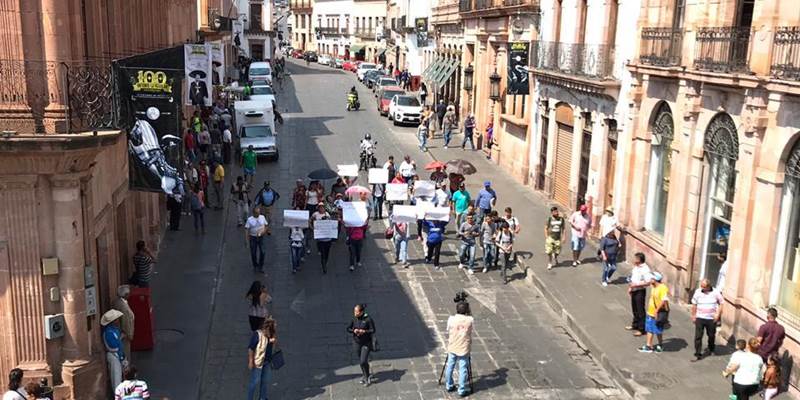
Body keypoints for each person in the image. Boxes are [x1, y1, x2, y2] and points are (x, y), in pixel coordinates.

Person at [444, 301, 474, 397]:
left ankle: (449, 385)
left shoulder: (451, 319)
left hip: (453, 346)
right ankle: (461, 390)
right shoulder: (470, 320)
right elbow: (471, 328)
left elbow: (448, 329)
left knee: (450, 366)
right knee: (463, 369)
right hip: (463, 348)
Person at [690, 279, 723, 361]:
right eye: (701, 286)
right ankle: (698, 353)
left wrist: (718, 314)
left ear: (708, 286)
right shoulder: (698, 292)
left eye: (704, 287)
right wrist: (693, 315)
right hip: (700, 317)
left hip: (711, 318)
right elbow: (694, 304)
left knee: (711, 335)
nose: (702, 288)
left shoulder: (715, 292)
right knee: (698, 336)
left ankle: (711, 348)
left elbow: (721, 303)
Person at [638, 272, 668, 353]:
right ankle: (648, 346)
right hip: (650, 312)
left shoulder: (662, 288)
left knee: (658, 330)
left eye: (652, 278)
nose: (650, 280)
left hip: (657, 313)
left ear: (655, 280)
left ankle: (660, 345)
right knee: (649, 329)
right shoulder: (653, 286)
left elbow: (664, 300)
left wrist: (656, 310)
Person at [247, 318, 277, 400]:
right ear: (265, 329)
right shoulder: (257, 335)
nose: (269, 334)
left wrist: (274, 341)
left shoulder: (271, 333)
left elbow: (273, 346)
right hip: (258, 362)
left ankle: (263, 398)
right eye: (269, 332)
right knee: (254, 382)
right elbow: (251, 348)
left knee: (265, 381)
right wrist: (250, 361)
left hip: (267, 361)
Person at [347, 304, 376, 386]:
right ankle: (365, 374)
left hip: (366, 343)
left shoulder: (368, 319)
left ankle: (367, 378)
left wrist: (364, 331)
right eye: (354, 311)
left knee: (363, 361)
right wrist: (354, 330)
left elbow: (373, 330)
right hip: (357, 343)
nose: (355, 313)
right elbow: (348, 328)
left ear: (361, 312)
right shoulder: (354, 318)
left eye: (356, 311)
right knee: (361, 362)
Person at [627, 252, 651, 337]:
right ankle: (635, 325)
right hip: (634, 289)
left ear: (639, 260)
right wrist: (630, 288)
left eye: (635, 258)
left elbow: (648, 282)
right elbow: (633, 277)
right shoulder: (636, 267)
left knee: (640, 310)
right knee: (634, 308)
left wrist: (636, 285)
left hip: (640, 291)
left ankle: (642, 329)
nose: (634, 260)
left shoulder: (645, 269)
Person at [101, 309, 126, 390]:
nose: (118, 320)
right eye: (116, 319)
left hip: (118, 355)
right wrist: (121, 358)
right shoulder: (108, 332)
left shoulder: (115, 329)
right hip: (114, 356)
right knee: (116, 378)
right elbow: (115, 347)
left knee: (120, 376)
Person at [112, 285, 135, 359]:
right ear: (125, 295)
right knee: (125, 352)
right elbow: (126, 322)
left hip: (119, 332)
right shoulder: (123, 307)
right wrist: (129, 334)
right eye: (128, 293)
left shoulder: (117, 302)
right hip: (124, 335)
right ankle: (126, 368)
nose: (129, 295)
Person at [245, 206, 270, 273]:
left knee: (263, 252)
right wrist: (246, 240)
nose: (258, 214)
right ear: (253, 213)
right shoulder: (250, 220)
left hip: (261, 237)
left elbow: (266, 225)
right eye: (257, 213)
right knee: (253, 252)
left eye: (259, 213)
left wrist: (264, 232)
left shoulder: (262, 217)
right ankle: (255, 265)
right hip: (253, 237)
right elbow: (247, 230)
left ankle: (261, 266)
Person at [312, 204, 334, 273]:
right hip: (320, 238)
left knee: (327, 252)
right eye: (320, 207)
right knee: (323, 253)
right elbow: (310, 220)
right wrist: (313, 228)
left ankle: (325, 262)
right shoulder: (315, 214)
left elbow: (331, 223)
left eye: (323, 207)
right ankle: (324, 266)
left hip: (328, 238)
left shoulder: (327, 214)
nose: (322, 209)